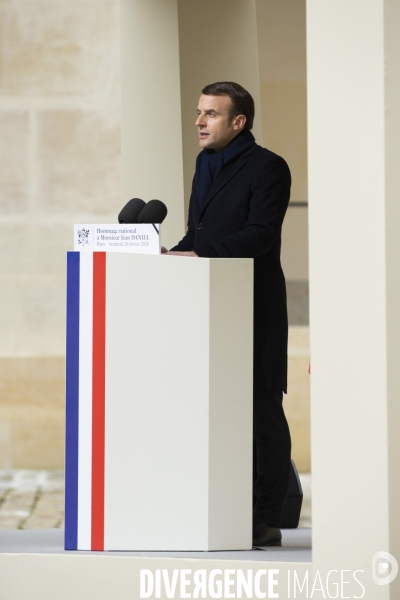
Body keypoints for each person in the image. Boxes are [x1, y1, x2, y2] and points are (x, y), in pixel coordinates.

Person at [163, 81, 292, 548]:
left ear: (239, 122)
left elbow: (259, 234)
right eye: (199, 112)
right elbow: (199, 231)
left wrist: (196, 256)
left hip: (253, 305)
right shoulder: (204, 164)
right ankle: (222, 505)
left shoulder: (269, 167)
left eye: (211, 114)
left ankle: (266, 517)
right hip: (209, 306)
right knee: (217, 408)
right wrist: (167, 254)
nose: (198, 121)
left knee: (260, 409)